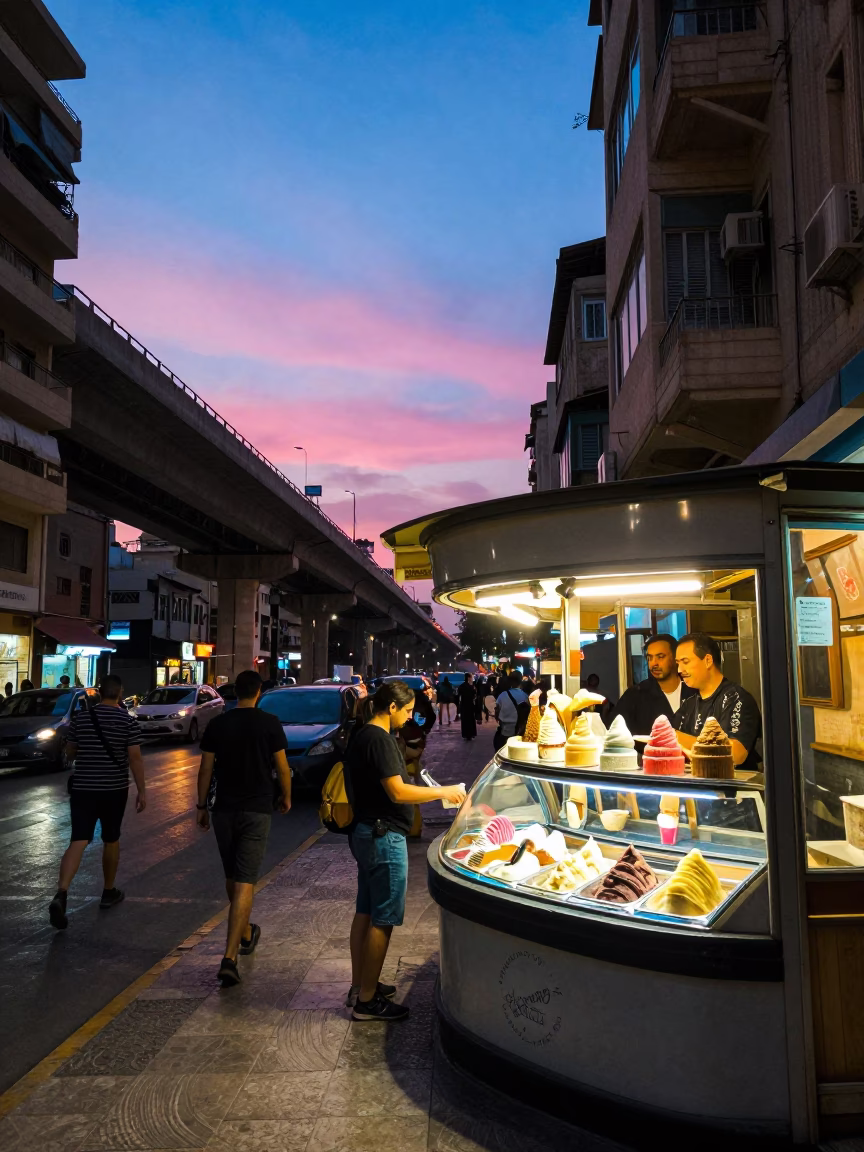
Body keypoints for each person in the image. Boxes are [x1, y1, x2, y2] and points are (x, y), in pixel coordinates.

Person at [345, 680, 466, 1021]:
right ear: (393, 708)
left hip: (365, 832)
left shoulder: (362, 735)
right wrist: (444, 792)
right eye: (409, 710)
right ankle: (367, 1002)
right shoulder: (380, 739)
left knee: (365, 911)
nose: (411, 716)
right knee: (383, 918)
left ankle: (360, 985)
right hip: (383, 837)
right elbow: (397, 792)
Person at [196, 669, 291, 987]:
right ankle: (229, 957)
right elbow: (282, 766)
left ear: (236, 691)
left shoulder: (218, 724)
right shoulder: (269, 723)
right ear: (260, 691)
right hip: (257, 808)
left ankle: (246, 931)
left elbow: (206, 767)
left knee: (232, 878)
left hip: (224, 808)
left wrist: (200, 806)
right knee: (245, 882)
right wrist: (287, 796)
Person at [48, 674, 145, 930]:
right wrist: (142, 791)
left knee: (78, 839)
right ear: (120, 692)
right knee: (111, 838)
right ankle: (108, 891)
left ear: (100, 693)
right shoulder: (128, 721)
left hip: (83, 788)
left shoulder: (81, 719)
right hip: (114, 788)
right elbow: (135, 758)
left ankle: (62, 893)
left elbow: (70, 751)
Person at [675, 633, 762, 771]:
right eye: (678, 663)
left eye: (685, 662)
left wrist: (674, 737)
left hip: (733, 788)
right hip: (697, 785)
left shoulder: (737, 698)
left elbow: (736, 754)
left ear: (708, 660)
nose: (680, 670)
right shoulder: (689, 704)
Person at [612, 634, 696, 734]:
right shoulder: (635, 696)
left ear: (675, 658)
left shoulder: (694, 691)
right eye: (649, 658)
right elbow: (616, 734)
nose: (653, 664)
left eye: (660, 657)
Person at [493, 670, 529, 750]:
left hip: (505, 732)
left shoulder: (502, 695)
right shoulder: (525, 696)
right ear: (521, 681)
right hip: (520, 733)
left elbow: (497, 714)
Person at [458, 674, 477, 741]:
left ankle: (466, 734)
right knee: (470, 719)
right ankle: (471, 734)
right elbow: (474, 694)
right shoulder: (471, 686)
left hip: (464, 705)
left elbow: (458, 695)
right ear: (468, 678)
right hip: (470, 705)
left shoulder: (462, 686)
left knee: (465, 720)